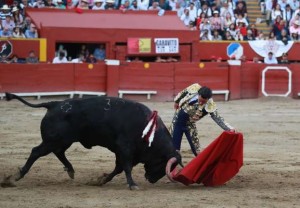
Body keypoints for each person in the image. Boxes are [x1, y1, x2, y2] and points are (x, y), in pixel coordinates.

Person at [169, 83, 235, 156]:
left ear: (208, 99)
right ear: (198, 94)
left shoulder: (210, 104)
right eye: (201, 99)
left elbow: (217, 118)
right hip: (178, 118)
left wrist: (229, 128)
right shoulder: (194, 88)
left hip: (189, 124)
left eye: (204, 101)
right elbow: (183, 92)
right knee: (172, 146)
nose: (201, 102)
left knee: (196, 150)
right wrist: (176, 101)